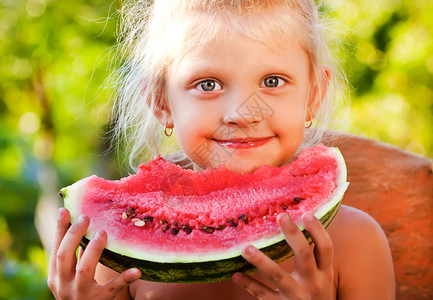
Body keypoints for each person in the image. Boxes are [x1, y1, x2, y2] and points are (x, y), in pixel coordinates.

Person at [47, 0, 396, 299]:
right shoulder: (116, 255)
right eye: (208, 84)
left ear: (314, 95)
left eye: (272, 82)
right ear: (161, 101)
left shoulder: (355, 245)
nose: (240, 114)